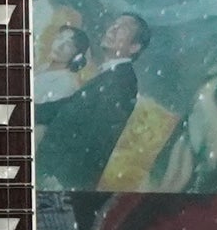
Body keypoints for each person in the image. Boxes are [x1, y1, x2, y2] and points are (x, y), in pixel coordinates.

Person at [37, 14, 148, 188]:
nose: (113, 29)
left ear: (134, 47)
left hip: (60, 181)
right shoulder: (110, 75)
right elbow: (65, 108)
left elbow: (96, 140)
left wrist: (60, 181)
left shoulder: (122, 82)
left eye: (123, 29)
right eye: (114, 24)